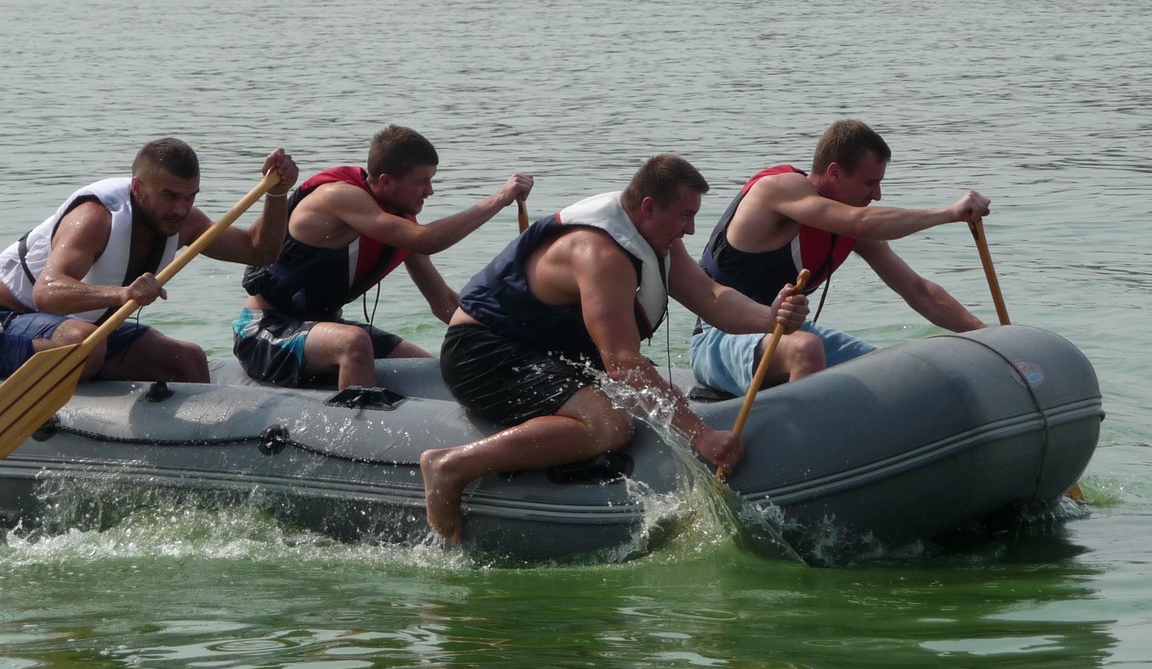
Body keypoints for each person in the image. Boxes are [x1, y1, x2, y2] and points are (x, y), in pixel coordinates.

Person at [419, 153, 810, 543]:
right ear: (648, 208)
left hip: (542, 352)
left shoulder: (655, 239)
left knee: (654, 397)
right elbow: (622, 363)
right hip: (483, 354)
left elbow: (710, 297)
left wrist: (771, 316)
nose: (691, 229)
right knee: (610, 425)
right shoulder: (600, 255)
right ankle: (451, 467)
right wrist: (701, 435)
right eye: (685, 215)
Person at [689, 119, 991, 397]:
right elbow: (860, 222)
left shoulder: (852, 225)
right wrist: (950, 213)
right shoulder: (778, 190)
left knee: (890, 371)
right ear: (834, 172)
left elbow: (919, 291)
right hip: (719, 337)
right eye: (869, 183)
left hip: (786, 333)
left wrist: (992, 339)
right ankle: (802, 437)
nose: (877, 195)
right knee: (806, 349)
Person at [0, 138, 299, 384]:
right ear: (139, 188)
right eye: (169, 196)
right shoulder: (95, 218)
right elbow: (46, 292)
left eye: (190, 197)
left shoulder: (183, 222)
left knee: (188, 361)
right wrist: (122, 294)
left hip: (87, 332)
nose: (181, 209)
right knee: (85, 345)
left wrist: (276, 193)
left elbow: (260, 252)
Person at [233, 124, 534, 390]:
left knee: (427, 367)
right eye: (421, 181)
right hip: (265, 330)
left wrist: (507, 338)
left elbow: (443, 302)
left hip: (322, 328)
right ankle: (355, 430)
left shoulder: (397, 225)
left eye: (431, 180)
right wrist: (499, 199)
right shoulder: (337, 197)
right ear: (386, 182)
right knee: (353, 342)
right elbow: (428, 240)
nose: (430, 191)